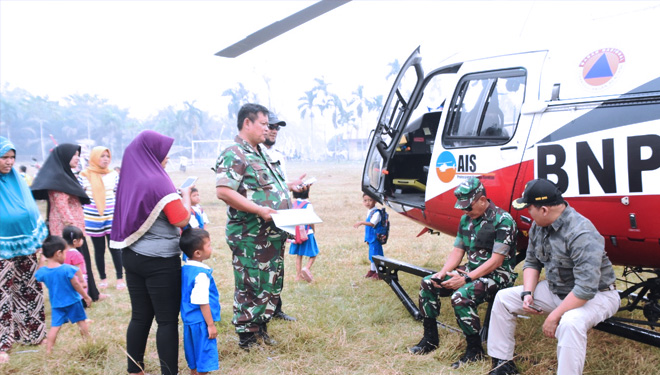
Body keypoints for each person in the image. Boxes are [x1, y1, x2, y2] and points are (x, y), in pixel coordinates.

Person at [487, 179, 620, 375]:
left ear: (544, 210)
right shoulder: (538, 225)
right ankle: (502, 365)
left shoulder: (581, 232)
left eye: (529, 208)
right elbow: (532, 262)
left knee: (570, 322)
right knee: (504, 299)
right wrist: (528, 293)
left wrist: (555, 316)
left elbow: (585, 289)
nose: (527, 213)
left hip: (597, 296)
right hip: (557, 289)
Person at [408, 177, 518, 371]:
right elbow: (458, 251)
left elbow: (497, 261)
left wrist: (466, 279)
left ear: (482, 200)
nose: (465, 212)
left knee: (461, 296)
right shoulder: (466, 219)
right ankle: (430, 338)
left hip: (498, 275)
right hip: (470, 271)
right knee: (428, 283)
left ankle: (474, 350)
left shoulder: (503, 220)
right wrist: (441, 274)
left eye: (468, 207)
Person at [214, 103, 300, 350]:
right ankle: (247, 337)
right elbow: (223, 191)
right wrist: (260, 210)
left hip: (271, 234)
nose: (267, 129)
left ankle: (261, 328)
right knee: (251, 284)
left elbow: (267, 188)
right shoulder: (235, 153)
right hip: (250, 235)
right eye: (263, 124)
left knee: (269, 282)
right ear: (247, 123)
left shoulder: (259, 152)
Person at [110, 130, 192, 375]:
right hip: (160, 262)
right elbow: (181, 219)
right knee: (166, 321)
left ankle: (134, 370)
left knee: (140, 317)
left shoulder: (129, 178)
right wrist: (185, 196)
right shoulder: (159, 181)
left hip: (132, 256)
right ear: (152, 153)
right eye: (164, 152)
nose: (166, 157)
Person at [30, 143, 105, 303]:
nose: (77, 158)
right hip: (67, 234)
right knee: (73, 265)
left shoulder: (66, 176)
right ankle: (79, 297)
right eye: (74, 155)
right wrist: (75, 231)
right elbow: (63, 209)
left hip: (75, 230)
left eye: (78, 154)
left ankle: (92, 293)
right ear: (64, 157)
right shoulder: (57, 179)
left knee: (83, 262)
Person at [0, 137, 49, 364]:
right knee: (2, 295)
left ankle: (31, 335)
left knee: (28, 289)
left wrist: (37, 238)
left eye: (12, 157)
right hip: (2, 248)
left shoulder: (17, 179)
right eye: (4, 157)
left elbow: (30, 208)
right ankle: (3, 344)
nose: (9, 162)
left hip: (26, 245)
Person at [264, 112, 306, 321]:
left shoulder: (279, 155)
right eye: (270, 126)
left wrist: (293, 185)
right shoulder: (254, 154)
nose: (273, 130)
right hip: (262, 220)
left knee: (277, 265)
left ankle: (276, 307)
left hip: (281, 219)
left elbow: (280, 185)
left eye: (277, 128)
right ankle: (261, 312)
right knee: (262, 268)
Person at [35, 236, 92, 354]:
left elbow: (38, 273)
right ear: (58, 253)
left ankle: (49, 351)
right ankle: (89, 342)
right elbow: (76, 284)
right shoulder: (66, 269)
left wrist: (41, 259)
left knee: (54, 328)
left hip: (56, 305)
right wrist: (86, 296)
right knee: (81, 322)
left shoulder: (44, 272)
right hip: (73, 302)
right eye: (65, 253)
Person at [78, 146, 123, 290]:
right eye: (102, 156)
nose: (105, 159)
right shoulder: (84, 175)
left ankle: (120, 278)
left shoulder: (113, 174)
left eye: (107, 156)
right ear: (94, 158)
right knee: (99, 250)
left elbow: (119, 193)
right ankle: (103, 278)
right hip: (93, 218)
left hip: (112, 217)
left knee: (115, 248)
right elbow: (80, 196)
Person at [180, 228, 220, 375]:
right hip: (201, 322)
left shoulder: (186, 268)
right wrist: (210, 325)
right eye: (208, 245)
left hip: (189, 321)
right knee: (204, 356)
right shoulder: (201, 275)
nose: (211, 248)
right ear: (198, 253)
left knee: (193, 355)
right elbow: (202, 301)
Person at [289, 187, 319, 283]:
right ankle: (306, 268)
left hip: (296, 233)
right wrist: (313, 230)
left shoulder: (294, 204)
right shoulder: (308, 205)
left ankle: (298, 276)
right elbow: (311, 220)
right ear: (307, 193)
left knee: (299, 255)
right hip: (307, 233)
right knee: (314, 253)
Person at [353, 193, 384, 280]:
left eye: (370, 200)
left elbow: (372, 224)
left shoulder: (376, 213)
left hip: (375, 238)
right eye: (365, 200)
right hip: (370, 238)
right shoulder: (370, 211)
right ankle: (372, 270)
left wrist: (361, 222)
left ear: (375, 201)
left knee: (377, 255)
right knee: (372, 255)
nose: (367, 203)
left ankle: (379, 273)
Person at [62, 225, 88, 293]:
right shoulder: (76, 254)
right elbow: (78, 268)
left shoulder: (62, 252)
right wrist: (82, 281)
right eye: (81, 238)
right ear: (75, 241)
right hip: (78, 279)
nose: (83, 240)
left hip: (66, 279)